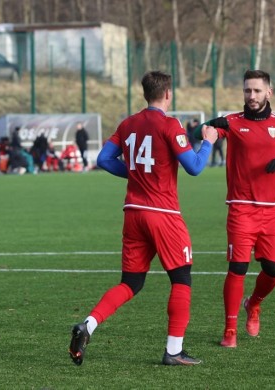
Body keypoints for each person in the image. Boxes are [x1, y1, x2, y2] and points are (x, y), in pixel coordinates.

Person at [68, 70, 218, 366]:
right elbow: (195, 167)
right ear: (168, 94)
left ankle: (89, 324)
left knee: (131, 283)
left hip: (132, 213)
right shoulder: (170, 124)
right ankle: (173, 351)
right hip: (163, 214)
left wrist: (136, 175)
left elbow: (103, 160)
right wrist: (209, 141)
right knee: (181, 278)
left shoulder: (128, 124)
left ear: (145, 93)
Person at [195, 70, 275, 348]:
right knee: (238, 268)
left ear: (269, 92)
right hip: (241, 208)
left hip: (272, 211)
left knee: (273, 270)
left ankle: (253, 304)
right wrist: (208, 124)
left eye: (256, 91)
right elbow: (198, 132)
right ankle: (229, 330)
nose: (251, 96)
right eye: (247, 91)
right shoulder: (231, 122)